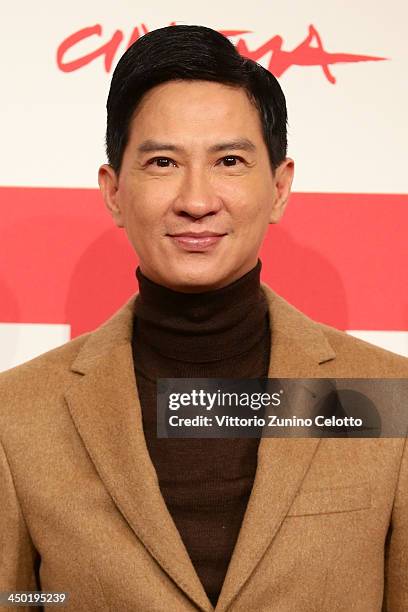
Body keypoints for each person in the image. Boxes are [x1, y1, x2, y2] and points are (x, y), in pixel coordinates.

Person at [0, 24, 407, 612]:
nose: (196, 199)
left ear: (280, 186)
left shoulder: (383, 399)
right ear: (114, 191)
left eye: (230, 161)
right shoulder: (19, 416)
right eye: (163, 161)